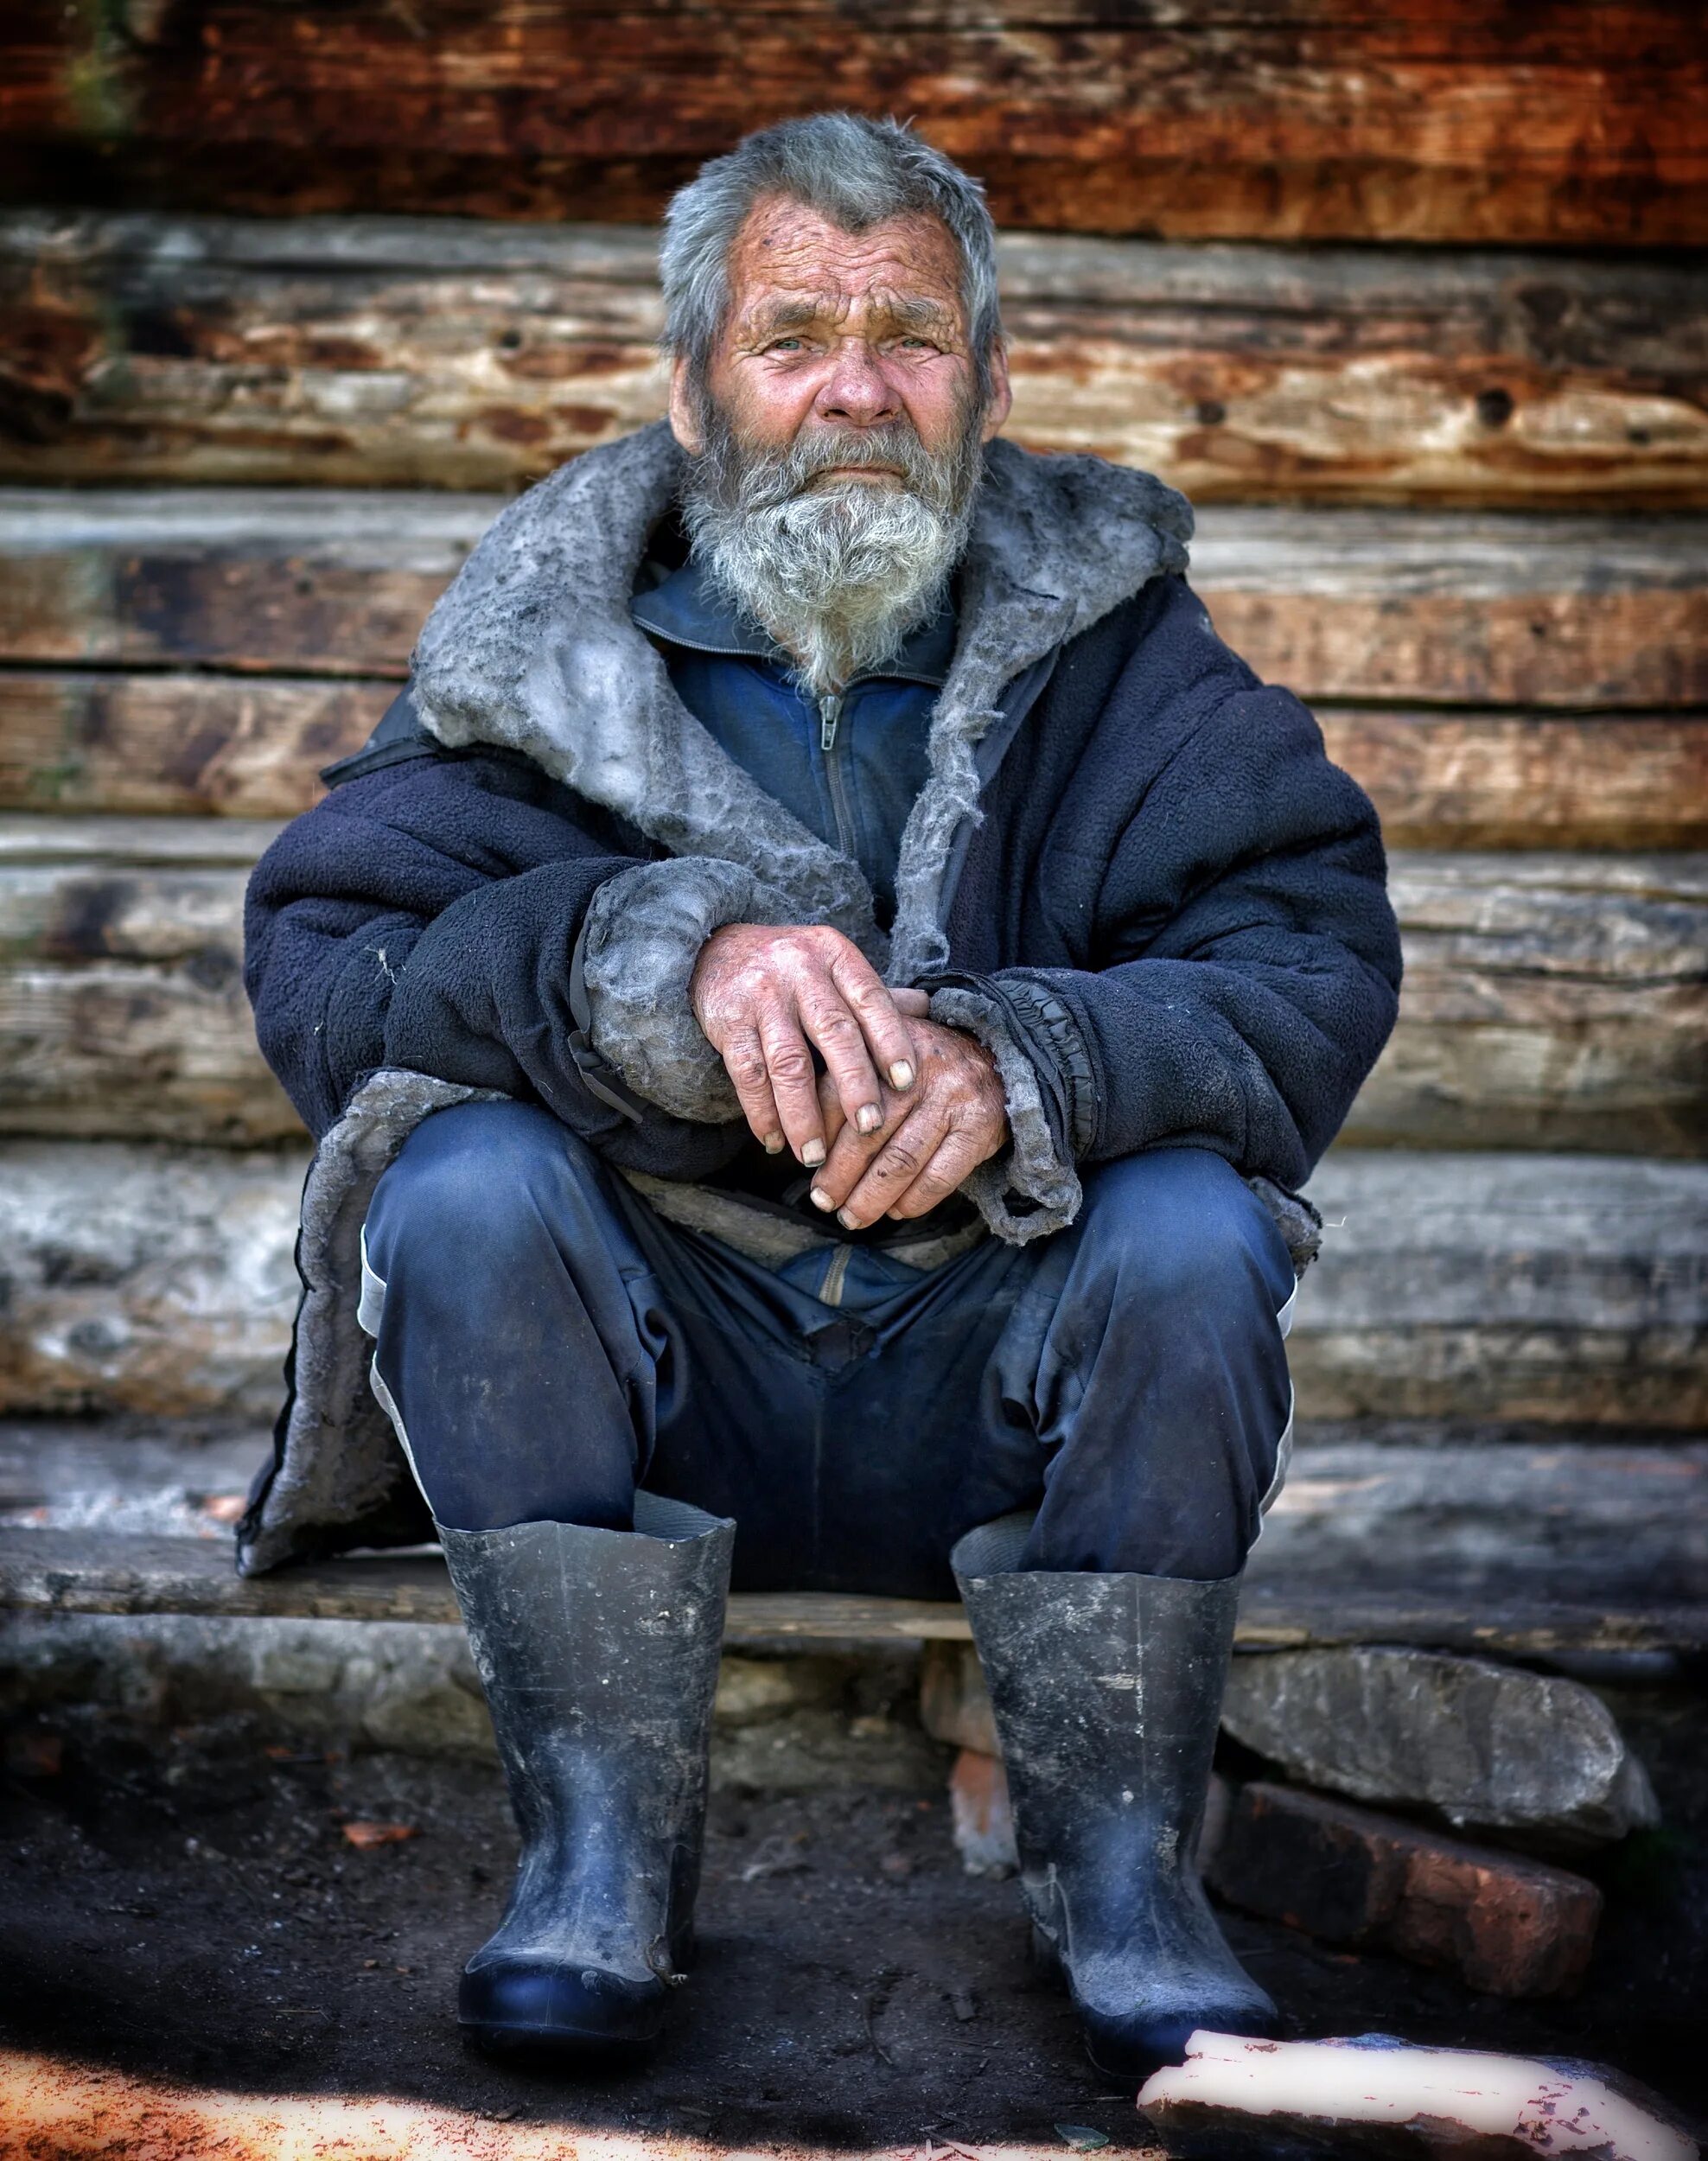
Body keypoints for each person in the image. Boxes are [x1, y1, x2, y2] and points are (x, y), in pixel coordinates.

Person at [239, 113, 1401, 2080]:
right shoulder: (547, 651)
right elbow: (327, 962)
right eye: (792, 336)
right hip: (665, 1383)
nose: (855, 389)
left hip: (998, 1384)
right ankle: (594, 1864)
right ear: (695, 389)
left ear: (986, 379)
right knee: (461, 1182)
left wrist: (1030, 1054)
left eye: (909, 336)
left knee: (1193, 1222)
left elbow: (1307, 949)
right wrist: (645, 957)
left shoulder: (1118, 653)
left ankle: (1122, 1877)